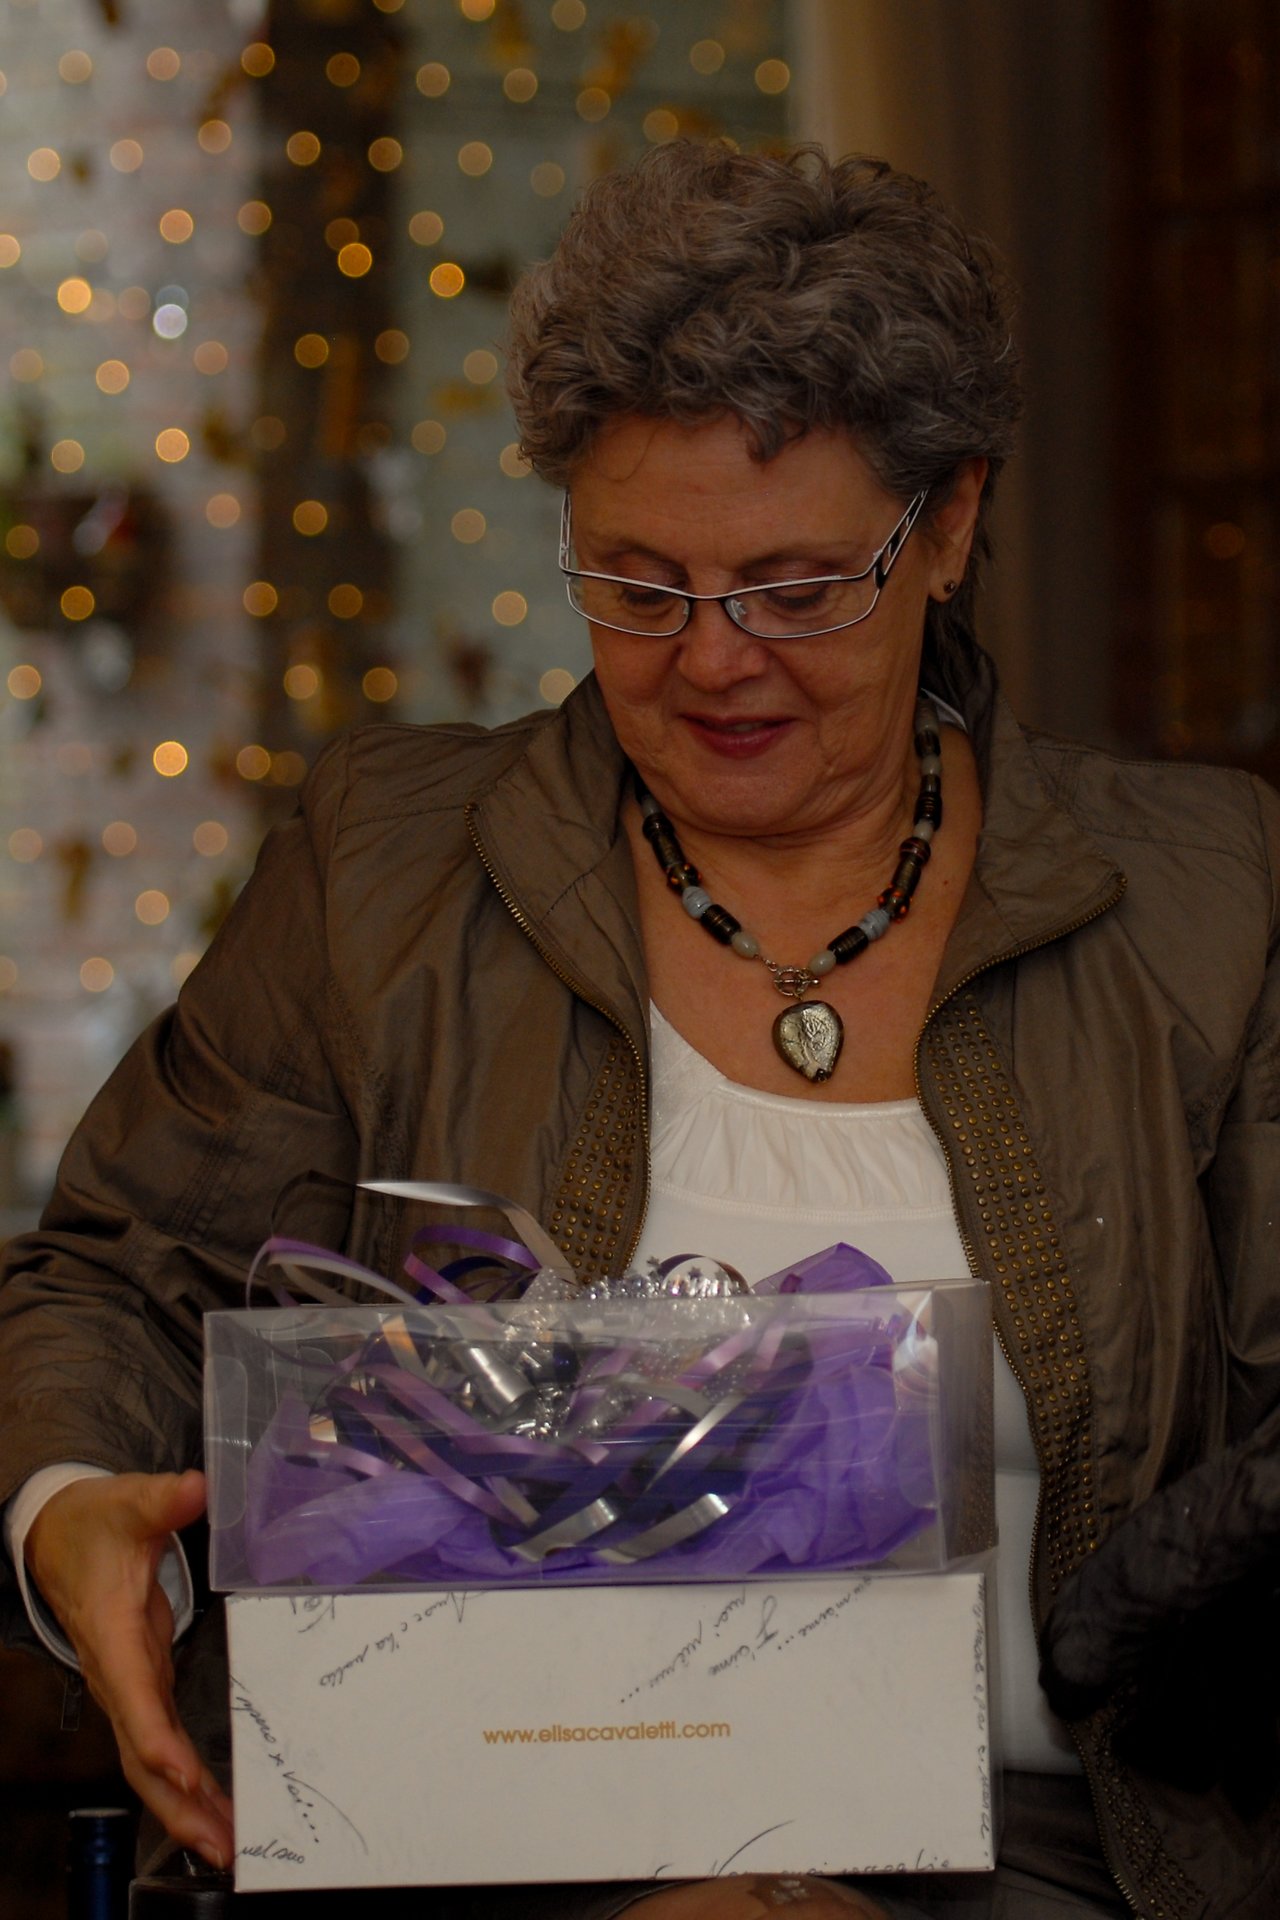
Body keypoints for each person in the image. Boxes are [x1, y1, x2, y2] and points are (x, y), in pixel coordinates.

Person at [1, 141, 1277, 1919]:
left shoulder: (1212, 898)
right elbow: (112, 1273)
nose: (713, 660)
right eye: (638, 583)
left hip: (1046, 1868)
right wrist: (69, 1502)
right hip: (467, 1858)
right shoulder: (383, 864)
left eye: (797, 586)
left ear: (954, 524)